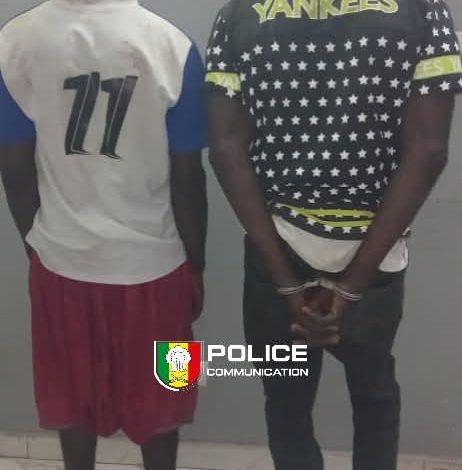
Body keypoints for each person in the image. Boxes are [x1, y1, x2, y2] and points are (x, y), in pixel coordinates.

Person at [205, 0, 461, 468]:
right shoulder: (422, 8)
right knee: (375, 398)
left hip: (277, 248)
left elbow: (225, 146)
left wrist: (287, 284)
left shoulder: (239, 12)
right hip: (374, 254)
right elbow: (428, 148)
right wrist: (352, 286)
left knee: (286, 404)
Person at [0, 0, 207, 469]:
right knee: (168, 394)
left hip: (61, 263)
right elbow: (188, 176)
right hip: (158, 265)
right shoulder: (172, 46)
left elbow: (13, 168)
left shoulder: (14, 41)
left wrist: (38, 244)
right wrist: (196, 266)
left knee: (69, 396)